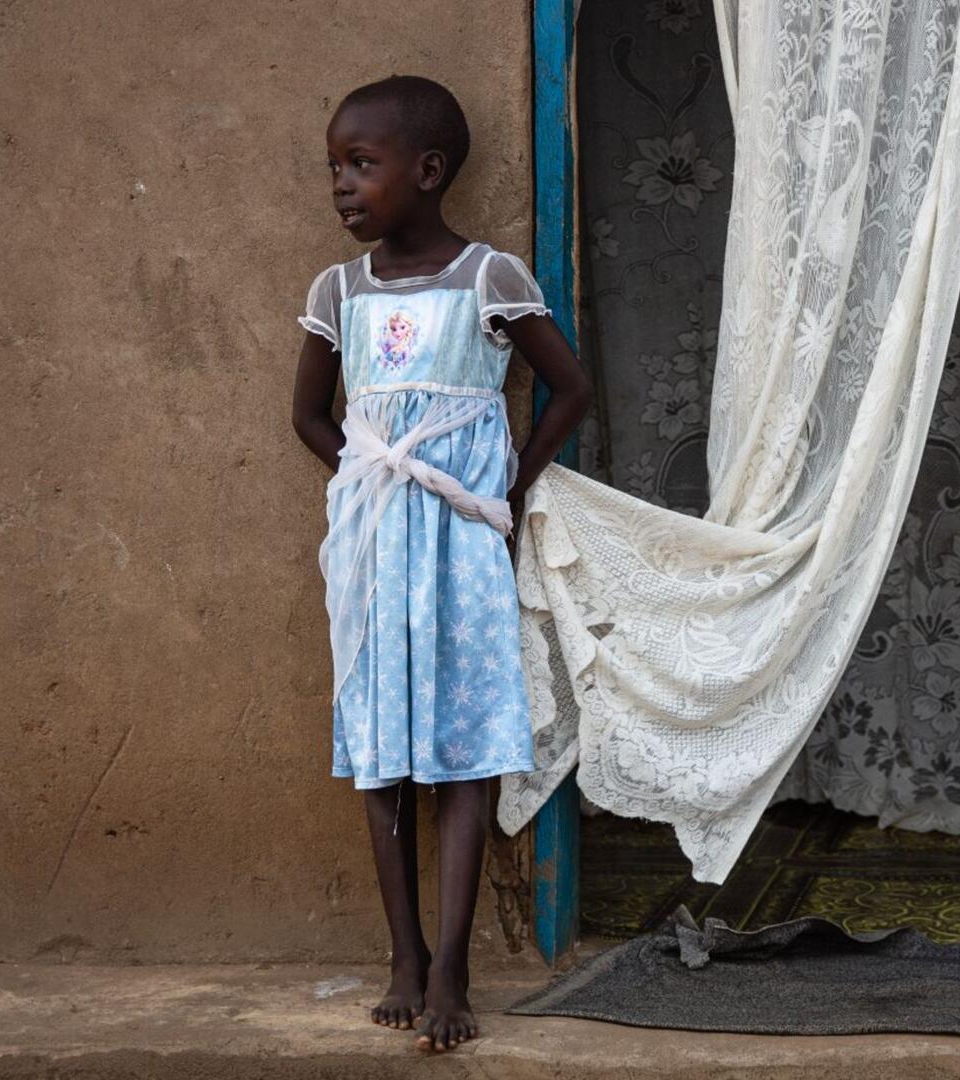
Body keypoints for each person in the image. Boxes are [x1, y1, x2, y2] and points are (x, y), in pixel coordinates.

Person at [289, 75, 590, 1052]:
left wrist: (506, 496)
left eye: (361, 165)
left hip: (464, 546)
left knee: (461, 757)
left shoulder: (489, 281)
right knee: (382, 750)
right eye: (335, 165)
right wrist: (376, 478)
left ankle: (454, 969)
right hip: (378, 549)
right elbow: (309, 415)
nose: (342, 185)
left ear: (426, 171)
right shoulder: (339, 292)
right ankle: (405, 958)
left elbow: (570, 388)